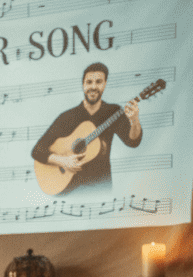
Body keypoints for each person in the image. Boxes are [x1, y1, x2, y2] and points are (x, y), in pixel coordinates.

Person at [31, 62, 142, 194]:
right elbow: (37, 151)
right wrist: (63, 161)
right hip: (69, 191)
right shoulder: (67, 117)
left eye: (98, 81)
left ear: (105, 84)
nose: (93, 87)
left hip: (100, 187)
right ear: (83, 85)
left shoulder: (113, 112)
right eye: (89, 82)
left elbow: (133, 142)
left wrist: (134, 120)